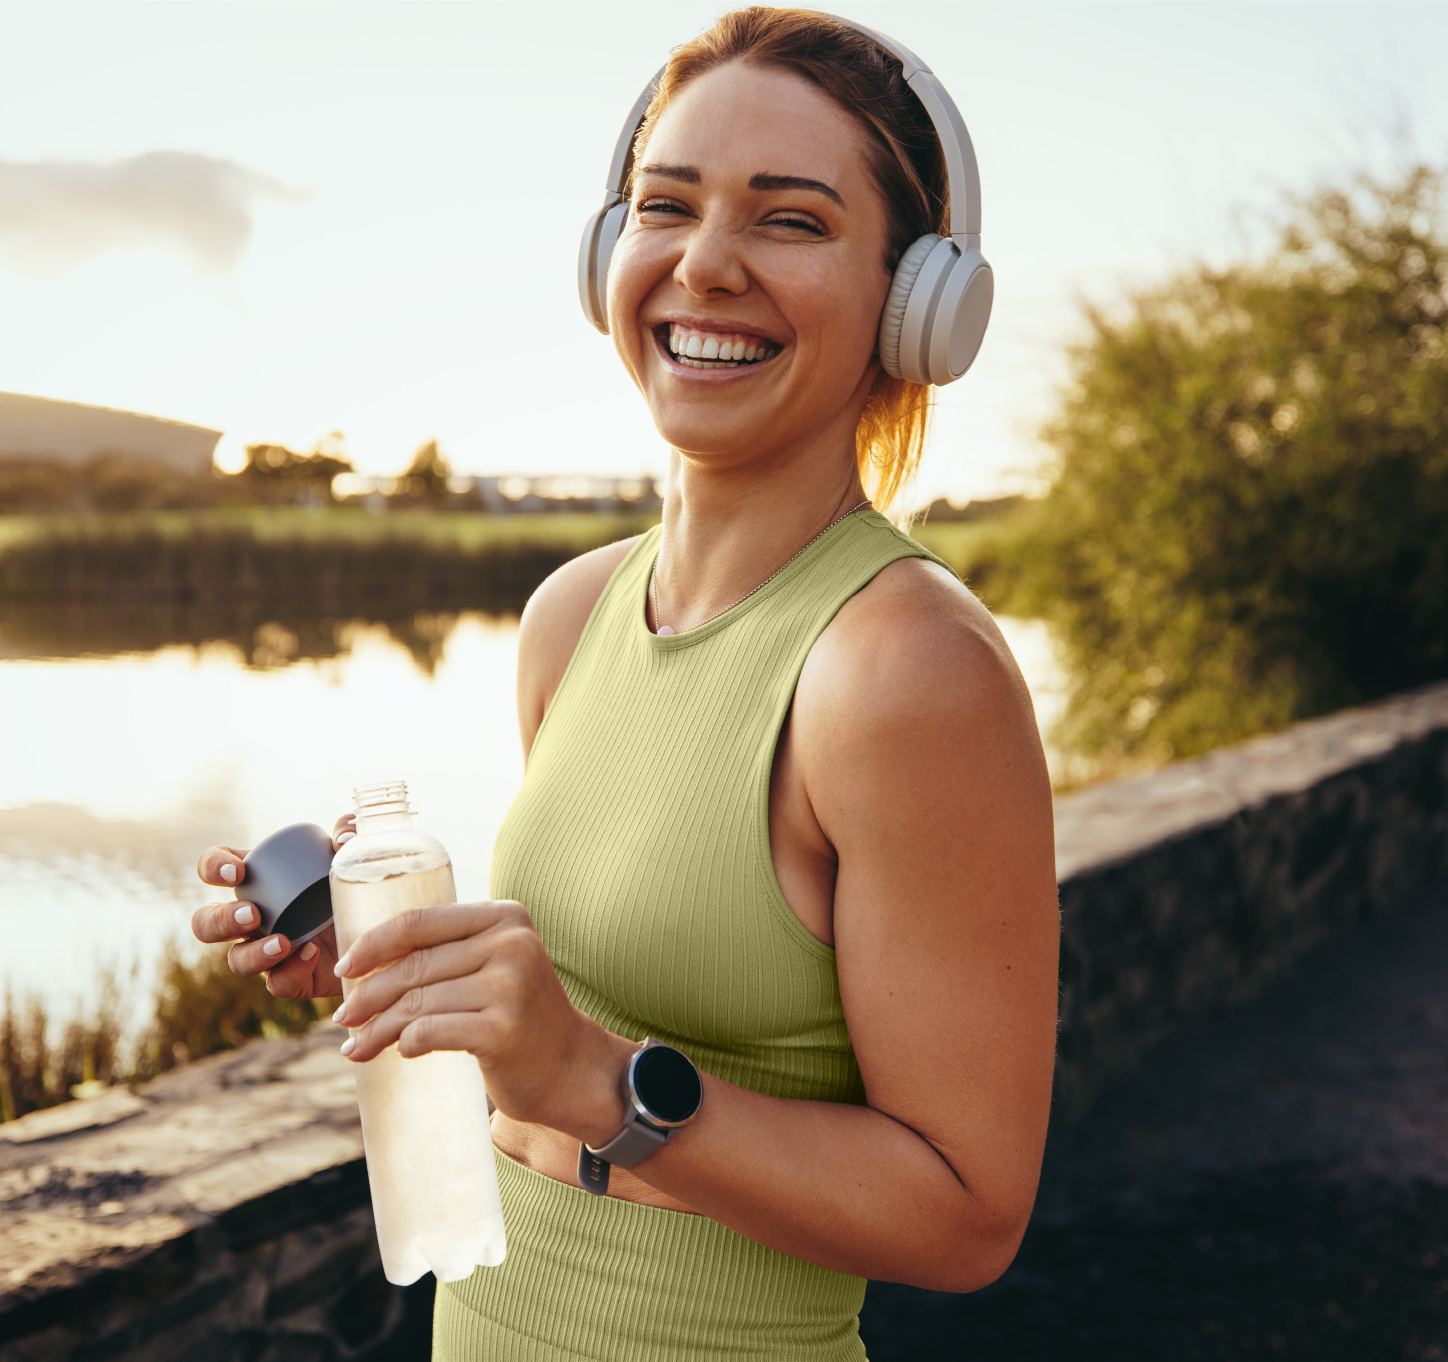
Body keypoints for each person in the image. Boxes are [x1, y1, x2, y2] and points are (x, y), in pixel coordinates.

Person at [192, 9, 1058, 1358]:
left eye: (791, 221)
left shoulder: (906, 670)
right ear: (610, 257)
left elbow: (967, 1214)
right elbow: (602, 993)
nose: (706, 265)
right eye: (667, 206)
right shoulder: (571, 614)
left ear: (915, 300)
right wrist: (404, 965)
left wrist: (600, 1083)